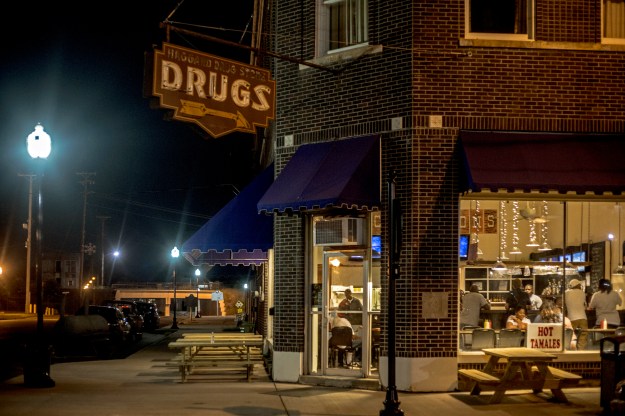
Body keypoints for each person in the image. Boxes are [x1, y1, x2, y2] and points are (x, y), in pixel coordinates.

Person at [565, 278, 588, 350]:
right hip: (583, 318)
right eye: (579, 285)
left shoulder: (566, 293)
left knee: (570, 337)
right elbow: (585, 306)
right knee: (583, 337)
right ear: (577, 285)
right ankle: (581, 352)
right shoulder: (582, 293)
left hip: (571, 318)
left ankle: (570, 353)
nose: (580, 287)